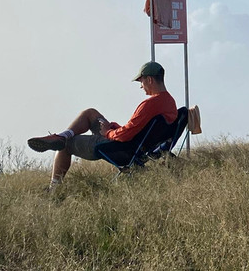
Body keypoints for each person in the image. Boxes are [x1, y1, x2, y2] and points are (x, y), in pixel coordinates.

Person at [27, 61, 178, 188]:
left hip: (122, 147)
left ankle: (53, 189)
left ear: (150, 80)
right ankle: (60, 136)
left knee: (66, 145)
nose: (141, 86)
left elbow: (126, 135)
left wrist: (107, 132)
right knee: (90, 113)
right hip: (137, 145)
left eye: (141, 81)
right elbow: (139, 129)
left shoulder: (150, 104)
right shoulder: (170, 103)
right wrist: (114, 127)